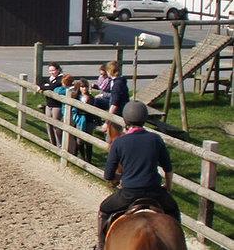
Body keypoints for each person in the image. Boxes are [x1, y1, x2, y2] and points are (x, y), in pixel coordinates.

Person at [95, 100, 180, 250]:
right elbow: (168, 168)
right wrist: (168, 186)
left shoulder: (119, 143)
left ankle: (101, 246)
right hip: (155, 192)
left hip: (128, 194)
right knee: (173, 210)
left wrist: (121, 178)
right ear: (144, 119)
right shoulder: (155, 139)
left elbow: (108, 175)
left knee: (104, 210)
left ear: (126, 120)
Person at [69, 79, 99, 163]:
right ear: (79, 87)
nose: (84, 88)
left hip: (88, 120)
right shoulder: (76, 97)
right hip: (78, 120)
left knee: (88, 141)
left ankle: (89, 160)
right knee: (79, 140)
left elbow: (94, 110)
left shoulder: (92, 98)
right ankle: (83, 157)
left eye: (86, 86)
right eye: (82, 87)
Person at [38, 62, 65, 146]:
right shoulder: (50, 78)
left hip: (56, 105)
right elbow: (41, 83)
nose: (51, 72)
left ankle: (59, 144)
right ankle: (52, 143)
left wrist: (43, 87)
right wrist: (44, 86)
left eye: (53, 70)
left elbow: (52, 87)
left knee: (56, 125)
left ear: (58, 70)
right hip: (49, 104)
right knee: (48, 124)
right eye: (50, 70)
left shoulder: (61, 78)